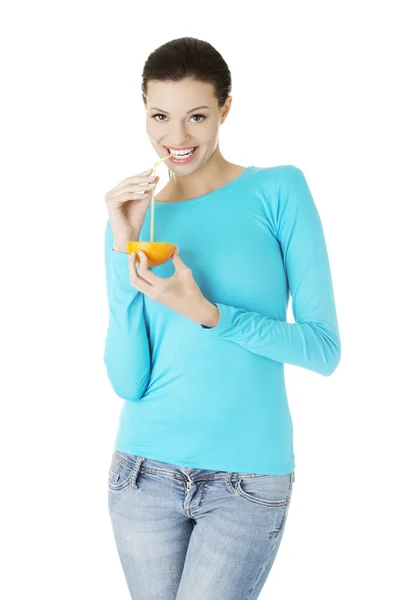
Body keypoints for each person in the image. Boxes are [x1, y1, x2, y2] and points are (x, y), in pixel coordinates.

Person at [103, 36, 341, 600]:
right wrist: (121, 246)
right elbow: (126, 379)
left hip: (246, 481)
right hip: (142, 474)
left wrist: (211, 314)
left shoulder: (278, 189)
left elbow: (323, 348)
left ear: (225, 110)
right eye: (160, 116)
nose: (176, 138)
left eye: (197, 116)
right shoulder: (140, 216)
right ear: (143, 108)